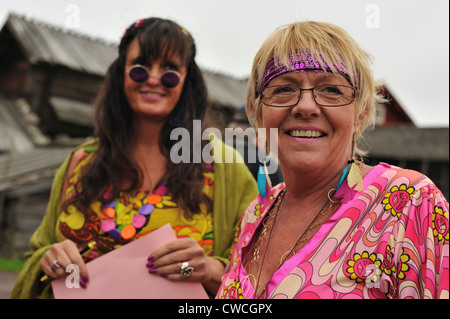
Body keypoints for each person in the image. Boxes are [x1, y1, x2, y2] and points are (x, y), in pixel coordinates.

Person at [11, 17, 257, 299]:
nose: (153, 78)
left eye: (169, 70)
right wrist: (49, 259)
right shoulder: (80, 162)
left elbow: (258, 271)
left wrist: (212, 271)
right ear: (121, 74)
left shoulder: (221, 165)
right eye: (140, 68)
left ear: (187, 80)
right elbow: (37, 255)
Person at [216, 21, 449, 299]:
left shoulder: (410, 203)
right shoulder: (256, 213)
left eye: (331, 90)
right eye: (283, 89)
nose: (305, 106)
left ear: (361, 113)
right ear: (258, 110)